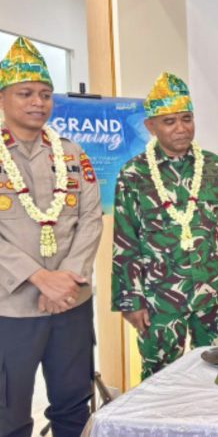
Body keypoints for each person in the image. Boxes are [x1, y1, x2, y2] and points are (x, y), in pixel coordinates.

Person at [111, 72, 218, 380]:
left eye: (186, 118)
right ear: (151, 126)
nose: (181, 128)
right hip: (158, 300)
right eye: (169, 121)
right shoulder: (134, 175)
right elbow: (125, 241)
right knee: (159, 377)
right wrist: (130, 300)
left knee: (216, 371)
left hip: (211, 293)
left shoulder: (215, 167)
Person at [0, 37, 103, 437]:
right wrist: (40, 277)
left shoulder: (72, 154)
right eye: (25, 93)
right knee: (8, 413)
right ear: (4, 99)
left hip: (71, 302)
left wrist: (68, 277)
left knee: (73, 406)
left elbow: (91, 219)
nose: (37, 102)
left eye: (45, 94)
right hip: (12, 307)